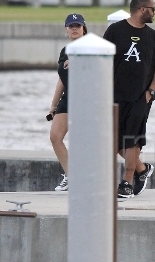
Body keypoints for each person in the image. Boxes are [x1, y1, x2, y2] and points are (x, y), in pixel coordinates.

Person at [103, 0, 155, 198]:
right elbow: (102, 58)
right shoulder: (115, 31)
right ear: (142, 9)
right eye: (152, 8)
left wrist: (151, 91)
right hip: (114, 96)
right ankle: (142, 169)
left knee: (132, 139)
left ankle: (126, 182)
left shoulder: (154, 37)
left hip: (141, 97)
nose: (154, 12)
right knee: (112, 139)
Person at [48, 13, 87, 191]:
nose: (74, 29)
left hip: (85, 99)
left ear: (83, 28)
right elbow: (61, 80)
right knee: (55, 137)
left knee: (81, 141)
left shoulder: (91, 47)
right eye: (71, 26)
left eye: (77, 26)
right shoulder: (65, 51)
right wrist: (53, 105)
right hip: (67, 99)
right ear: (66, 29)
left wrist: (77, 59)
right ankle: (72, 175)